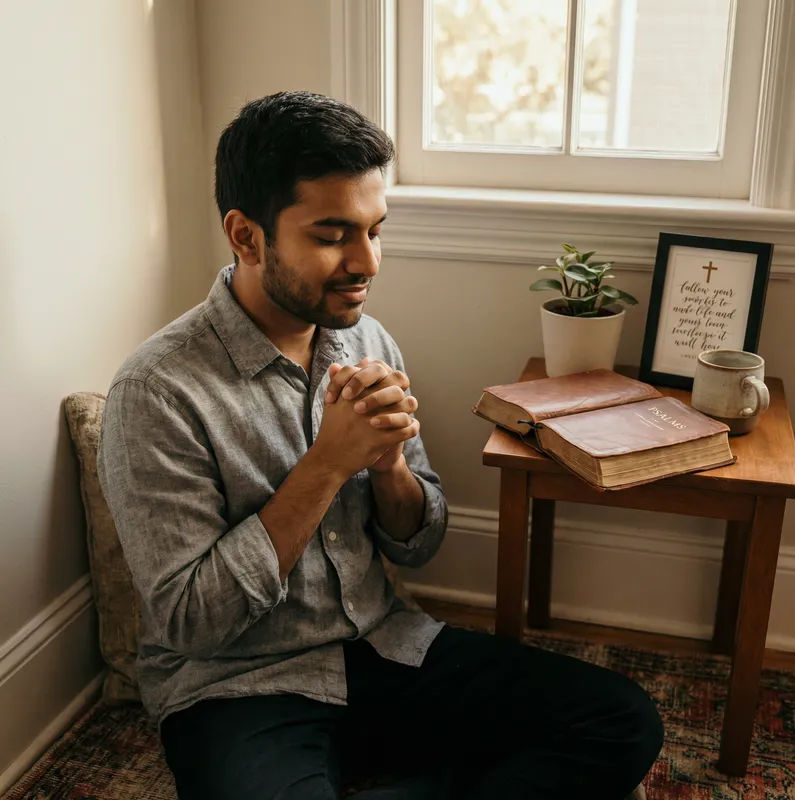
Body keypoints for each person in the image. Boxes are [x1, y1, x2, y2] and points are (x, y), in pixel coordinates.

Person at [97, 90, 663, 800]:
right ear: (246, 236)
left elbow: (415, 546)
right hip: (239, 686)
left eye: (375, 229)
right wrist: (329, 463)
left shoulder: (367, 338)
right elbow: (190, 620)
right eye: (333, 235)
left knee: (621, 720)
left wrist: (391, 464)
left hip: (382, 645)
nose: (367, 261)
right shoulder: (156, 391)